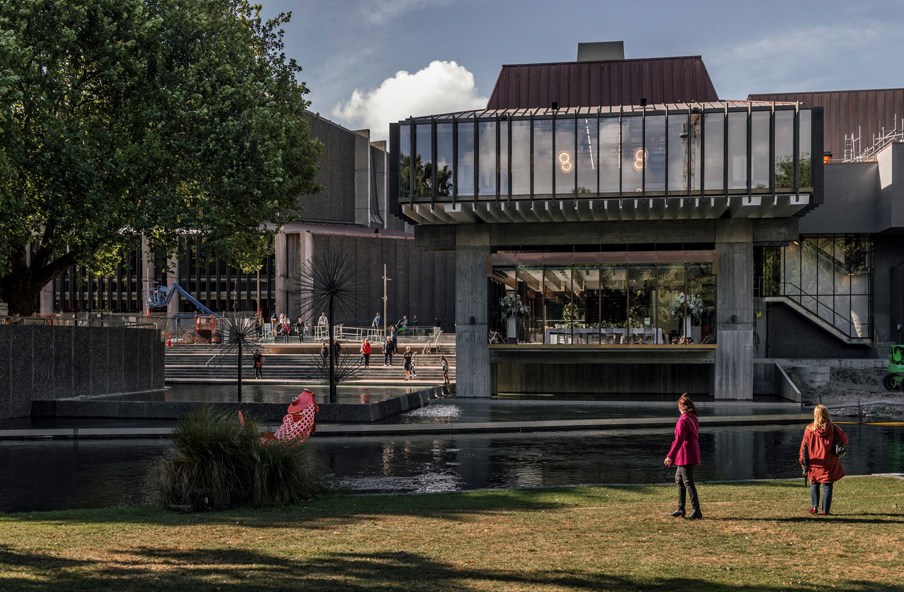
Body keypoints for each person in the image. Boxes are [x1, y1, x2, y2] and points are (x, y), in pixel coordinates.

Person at [799, 404, 848, 516]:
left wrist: (802, 461)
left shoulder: (809, 429)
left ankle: (814, 507)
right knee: (827, 486)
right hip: (829, 461)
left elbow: (804, 447)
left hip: (814, 461)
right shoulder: (833, 427)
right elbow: (845, 439)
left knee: (814, 484)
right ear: (827, 414)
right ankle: (825, 511)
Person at [664, 393, 702, 520]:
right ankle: (681, 508)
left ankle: (696, 511)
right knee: (679, 480)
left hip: (685, 454)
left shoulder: (683, 420)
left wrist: (670, 456)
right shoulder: (693, 418)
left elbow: (679, 440)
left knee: (687, 482)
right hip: (691, 452)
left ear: (681, 407)